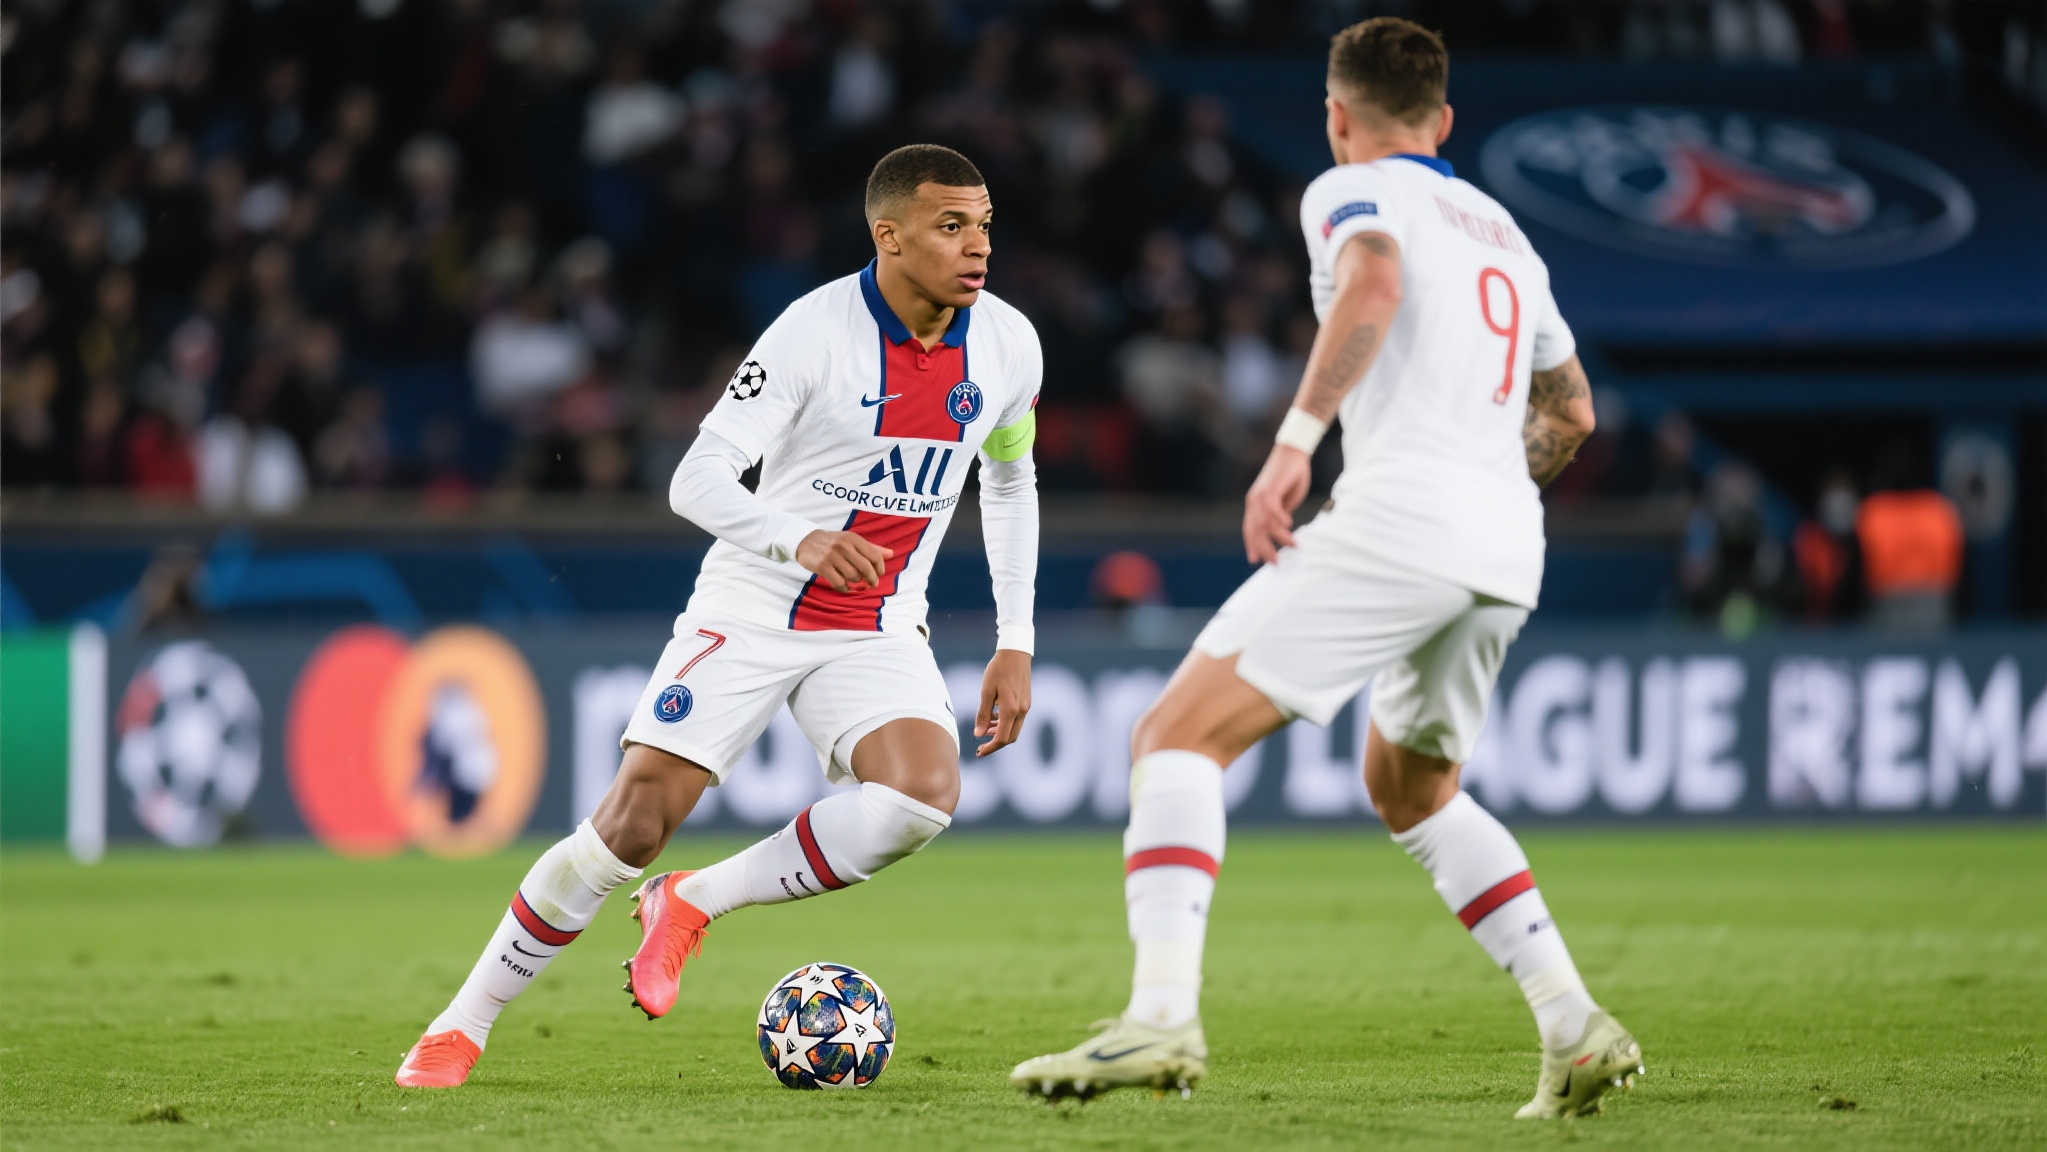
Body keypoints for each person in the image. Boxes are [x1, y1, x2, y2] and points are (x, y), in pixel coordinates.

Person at [1010, 18, 1640, 1119]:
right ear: (1444, 121)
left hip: (1403, 517)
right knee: (1413, 789)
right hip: (1507, 538)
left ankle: (1159, 1018)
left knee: (1173, 738)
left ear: (1338, 115)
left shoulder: (1350, 189)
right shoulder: (1505, 235)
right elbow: (1572, 411)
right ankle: (1572, 1023)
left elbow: (1373, 284)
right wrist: (1488, 494)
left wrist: (1293, 444)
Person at [397, 144, 1041, 1087]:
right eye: (951, 226)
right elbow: (694, 479)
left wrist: (1015, 640)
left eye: (983, 224)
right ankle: (461, 1024)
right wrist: (798, 539)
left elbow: (1011, 481)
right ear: (890, 235)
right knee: (633, 824)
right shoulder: (813, 333)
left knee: (918, 798)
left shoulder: (1010, 345)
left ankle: (693, 902)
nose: (977, 245)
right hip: (756, 604)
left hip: (877, 621)